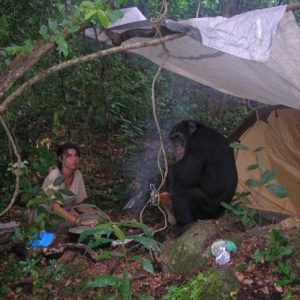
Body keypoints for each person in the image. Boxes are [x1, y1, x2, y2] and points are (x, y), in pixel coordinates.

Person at [43, 143, 101, 227]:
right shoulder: (54, 176)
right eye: (69, 156)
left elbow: (78, 205)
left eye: (76, 155)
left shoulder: (78, 174)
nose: (74, 159)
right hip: (51, 215)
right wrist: (80, 222)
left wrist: (98, 214)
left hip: (68, 213)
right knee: (67, 225)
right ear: (60, 159)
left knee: (98, 217)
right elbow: (55, 208)